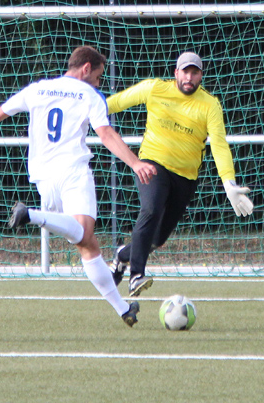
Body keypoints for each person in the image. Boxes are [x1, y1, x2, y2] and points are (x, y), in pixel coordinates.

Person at [0, 45, 156, 327]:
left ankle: (124, 309)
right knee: (85, 234)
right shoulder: (90, 95)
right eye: (98, 77)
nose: (99, 83)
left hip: (42, 176)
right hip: (72, 171)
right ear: (86, 69)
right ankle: (31, 215)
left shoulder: (38, 89)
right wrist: (135, 163)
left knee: (87, 244)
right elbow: (106, 134)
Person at [106, 51, 254, 296]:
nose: (189, 77)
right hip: (152, 164)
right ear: (176, 73)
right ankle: (136, 276)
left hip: (185, 177)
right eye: (185, 71)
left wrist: (229, 182)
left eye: (195, 72)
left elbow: (218, 144)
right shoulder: (154, 88)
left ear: (201, 76)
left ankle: (122, 256)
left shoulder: (210, 104)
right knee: (150, 209)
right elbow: (113, 103)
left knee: (157, 239)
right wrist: (80, 111)